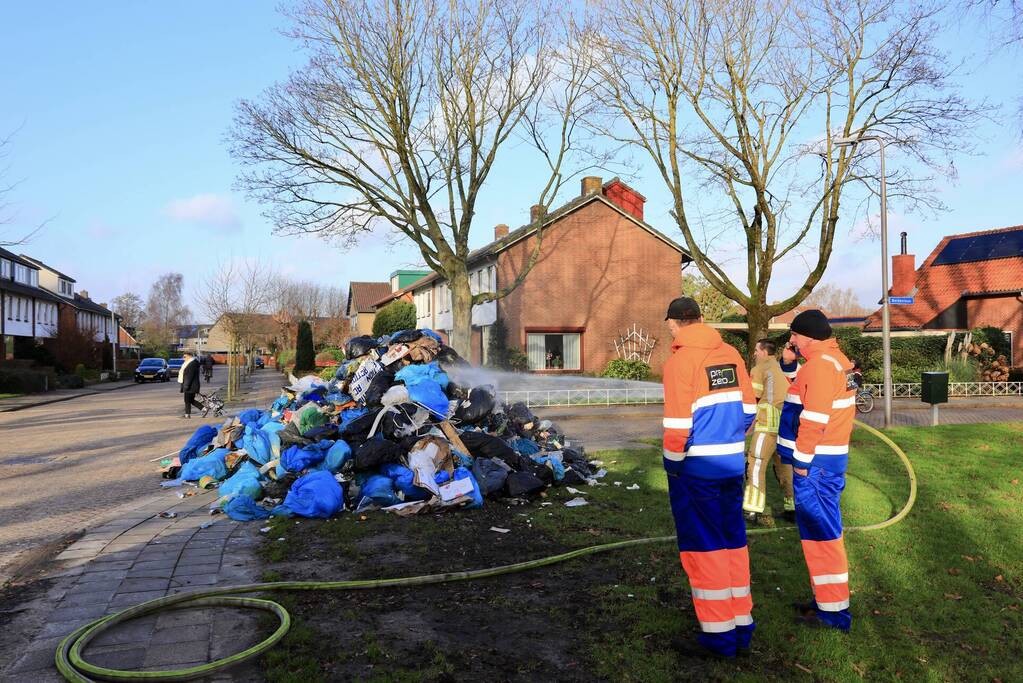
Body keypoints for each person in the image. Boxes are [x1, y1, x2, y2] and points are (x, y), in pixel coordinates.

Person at [661, 296, 757, 657]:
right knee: (733, 542)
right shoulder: (730, 354)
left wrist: (673, 465)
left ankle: (718, 637)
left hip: (697, 470)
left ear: (673, 323)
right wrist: (729, 440)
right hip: (731, 466)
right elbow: (749, 410)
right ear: (701, 319)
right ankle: (741, 624)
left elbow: (677, 426)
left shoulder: (679, 362)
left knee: (705, 548)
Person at [776, 309, 856, 631]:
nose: (792, 340)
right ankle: (825, 601)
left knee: (821, 537)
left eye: (794, 335)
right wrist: (788, 364)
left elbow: (814, 418)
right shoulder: (832, 361)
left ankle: (833, 613)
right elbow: (802, 388)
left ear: (808, 336)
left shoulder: (821, 366)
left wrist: (802, 462)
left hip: (816, 467)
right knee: (817, 535)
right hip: (825, 463)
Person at [742, 339, 795, 523]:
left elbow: (753, 398)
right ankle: (792, 508)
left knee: (756, 464)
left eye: (757, 350)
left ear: (764, 352)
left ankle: (752, 509)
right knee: (784, 466)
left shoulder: (759, 369)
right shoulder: (780, 368)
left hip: (766, 424)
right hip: (784, 425)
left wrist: (744, 426)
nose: (755, 353)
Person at [178, 351, 203, 419]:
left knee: (187, 400)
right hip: (191, 385)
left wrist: (186, 385)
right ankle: (204, 409)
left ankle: (187, 414)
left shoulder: (191, 364)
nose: (183, 358)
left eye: (185, 357)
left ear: (189, 356)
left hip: (191, 385)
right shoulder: (191, 363)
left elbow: (189, 376)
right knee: (190, 400)